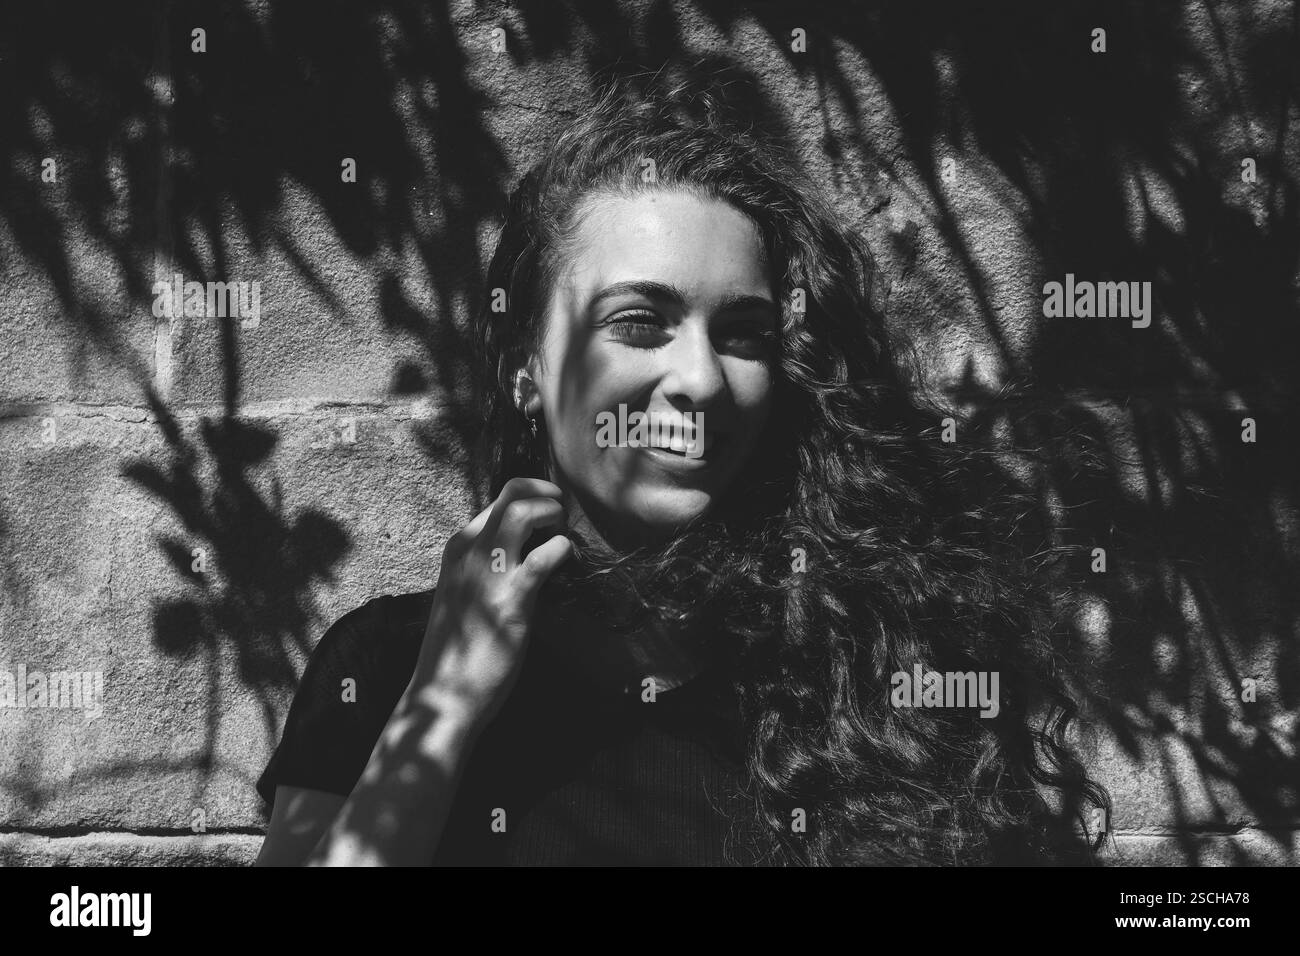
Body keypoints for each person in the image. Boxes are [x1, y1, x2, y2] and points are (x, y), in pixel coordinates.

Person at [254, 70, 1109, 867]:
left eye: (743, 334)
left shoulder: (870, 682)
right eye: (639, 322)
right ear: (527, 369)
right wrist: (442, 708)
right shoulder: (384, 669)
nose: (700, 379)